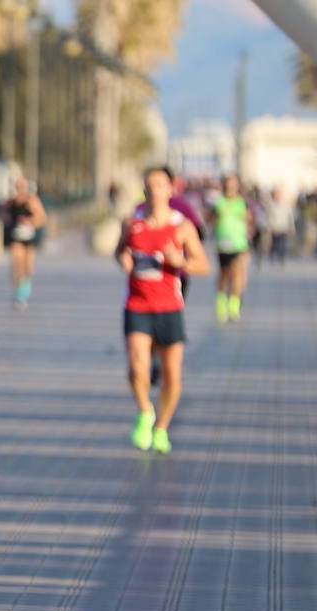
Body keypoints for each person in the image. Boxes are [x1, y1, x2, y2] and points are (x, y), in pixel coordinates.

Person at [115, 165, 210, 454]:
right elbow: (120, 251)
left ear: (170, 189)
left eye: (159, 184)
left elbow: (203, 266)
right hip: (137, 304)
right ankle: (145, 411)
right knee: (137, 367)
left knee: (171, 375)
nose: (153, 189)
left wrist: (179, 262)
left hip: (170, 307)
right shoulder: (132, 223)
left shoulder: (182, 227)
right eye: (149, 184)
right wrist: (124, 259)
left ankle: (161, 428)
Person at [208, 172, 253, 324]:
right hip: (222, 244)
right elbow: (209, 220)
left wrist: (249, 226)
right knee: (224, 275)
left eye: (233, 184)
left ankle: (234, 306)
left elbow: (249, 219)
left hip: (239, 244)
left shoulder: (242, 202)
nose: (230, 187)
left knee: (237, 274)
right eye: (228, 184)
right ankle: (221, 303)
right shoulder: (218, 203)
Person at [0, 174, 48, 310]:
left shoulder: (32, 200)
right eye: (17, 186)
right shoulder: (10, 202)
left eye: (22, 186)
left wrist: (30, 222)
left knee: (28, 267)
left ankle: (24, 291)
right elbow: (4, 217)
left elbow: (42, 217)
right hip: (15, 235)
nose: (19, 189)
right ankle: (18, 293)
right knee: (17, 263)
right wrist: (7, 218)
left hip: (28, 236)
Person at [265, 186, 295, 266]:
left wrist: (292, 227)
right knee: (275, 245)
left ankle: (282, 260)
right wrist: (269, 227)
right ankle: (272, 257)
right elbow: (269, 217)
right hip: (275, 228)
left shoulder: (286, 206)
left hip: (283, 228)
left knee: (283, 245)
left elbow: (290, 217)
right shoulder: (271, 206)